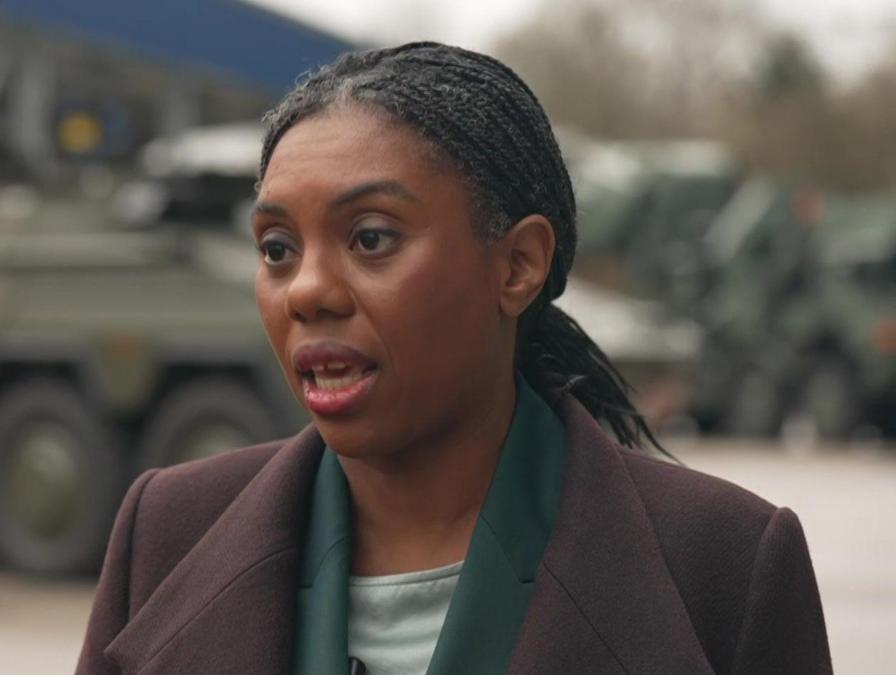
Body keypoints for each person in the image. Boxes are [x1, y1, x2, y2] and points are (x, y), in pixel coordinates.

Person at [75, 42, 832, 675]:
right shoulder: (166, 532)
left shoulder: (724, 563)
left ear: (517, 265)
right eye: (277, 248)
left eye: (371, 237)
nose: (305, 291)